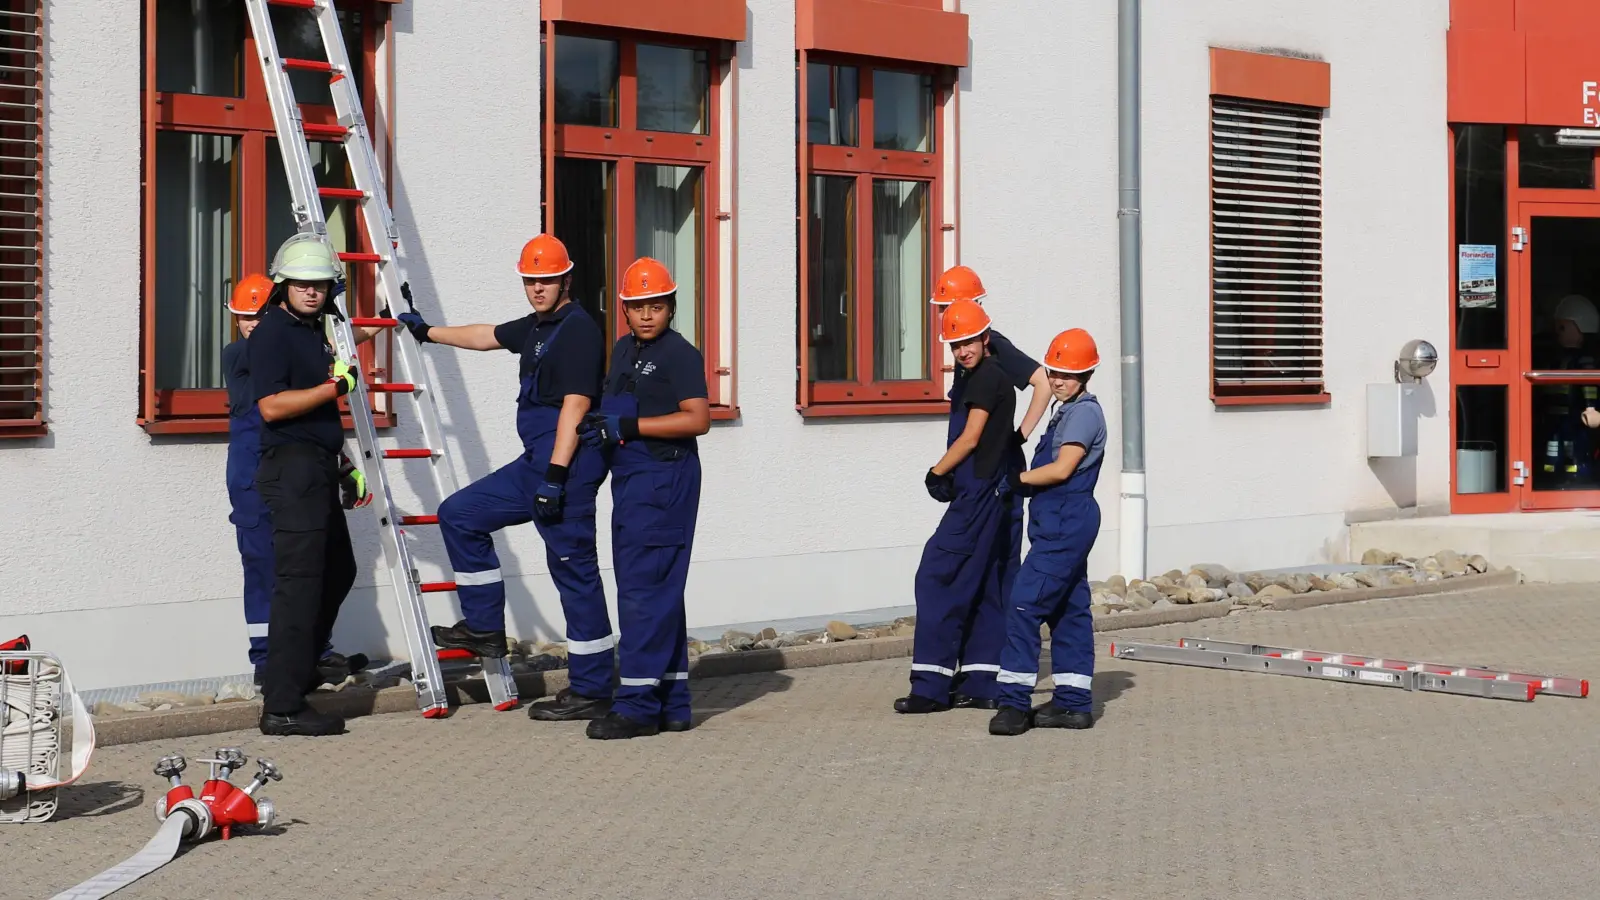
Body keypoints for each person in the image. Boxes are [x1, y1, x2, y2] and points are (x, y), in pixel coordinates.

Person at [394, 234, 615, 722]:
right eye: (530, 280)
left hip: (566, 468)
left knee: (574, 577)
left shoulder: (577, 329)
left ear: (566, 280)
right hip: (534, 464)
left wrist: (556, 476)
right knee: (459, 514)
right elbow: (485, 335)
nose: (537, 288)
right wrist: (427, 332)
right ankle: (484, 628)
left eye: (546, 280)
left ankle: (594, 688)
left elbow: (576, 407)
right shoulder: (539, 326)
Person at [576, 257, 710, 740]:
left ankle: (634, 705)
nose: (648, 315)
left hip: (663, 479)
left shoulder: (680, 354)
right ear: (624, 311)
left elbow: (698, 419)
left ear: (671, 307)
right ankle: (672, 703)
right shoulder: (624, 350)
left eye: (657, 305)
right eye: (638, 307)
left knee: (643, 593)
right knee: (660, 591)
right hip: (633, 481)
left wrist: (629, 427)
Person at [248, 233, 372, 737]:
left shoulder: (314, 330)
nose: (312, 291)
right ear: (283, 285)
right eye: (302, 283)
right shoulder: (272, 334)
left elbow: (348, 338)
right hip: (291, 469)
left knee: (339, 569)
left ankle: (302, 669)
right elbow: (273, 407)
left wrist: (392, 318)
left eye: (320, 284)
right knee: (298, 587)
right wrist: (335, 387)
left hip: (319, 464)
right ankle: (282, 704)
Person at [224, 273, 370, 689]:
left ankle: (313, 654)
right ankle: (268, 664)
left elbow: (306, 420)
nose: (253, 325)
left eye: (259, 316)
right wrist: (330, 330)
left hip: (294, 470)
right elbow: (312, 355)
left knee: (312, 566)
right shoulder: (242, 354)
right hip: (253, 478)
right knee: (266, 569)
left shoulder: (281, 344)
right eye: (245, 319)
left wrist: (379, 319)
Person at [927, 265, 1051, 706]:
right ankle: (982, 675)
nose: (945, 316)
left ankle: (987, 675)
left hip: (991, 479)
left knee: (981, 573)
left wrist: (1021, 434)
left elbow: (1042, 383)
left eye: (947, 307)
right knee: (987, 573)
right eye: (942, 309)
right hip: (981, 475)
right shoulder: (969, 347)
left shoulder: (991, 346)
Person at [896, 299, 1016, 714]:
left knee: (937, 577)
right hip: (987, 491)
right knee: (982, 585)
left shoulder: (985, 378)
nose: (961, 350)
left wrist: (936, 472)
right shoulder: (982, 375)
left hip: (978, 492)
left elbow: (970, 437)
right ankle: (982, 682)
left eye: (967, 342)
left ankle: (929, 688)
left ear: (985, 338)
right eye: (954, 345)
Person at [989, 329, 1106, 736]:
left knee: (1023, 605)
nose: (1057, 380)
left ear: (1087, 374)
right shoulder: (1066, 408)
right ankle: (1073, 704)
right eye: (1054, 371)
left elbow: (1062, 468)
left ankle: (1013, 704)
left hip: (1066, 522)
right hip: (1059, 522)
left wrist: (1017, 481)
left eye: (1068, 375)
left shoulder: (1084, 413)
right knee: (1068, 610)